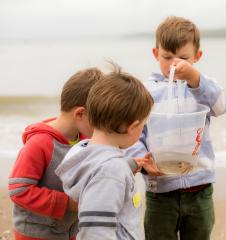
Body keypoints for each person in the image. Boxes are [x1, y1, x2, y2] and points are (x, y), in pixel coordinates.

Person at [127, 16, 226, 240]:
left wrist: (195, 78)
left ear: (197, 57)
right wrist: (143, 162)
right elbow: (133, 134)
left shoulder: (201, 88)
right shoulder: (146, 91)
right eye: (167, 57)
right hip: (161, 190)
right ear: (156, 53)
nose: (174, 63)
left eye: (183, 57)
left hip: (200, 188)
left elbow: (222, 106)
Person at [56, 63, 159, 240]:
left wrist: (130, 164)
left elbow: (98, 177)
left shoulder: (83, 151)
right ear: (132, 127)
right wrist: (120, 169)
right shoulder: (111, 171)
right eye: (143, 125)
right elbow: (95, 231)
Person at [8, 68, 103, 240]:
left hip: (69, 231)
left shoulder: (84, 139)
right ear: (80, 113)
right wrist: (68, 203)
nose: (104, 126)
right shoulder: (39, 143)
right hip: (35, 234)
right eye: (101, 119)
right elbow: (19, 190)